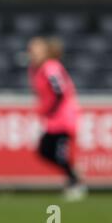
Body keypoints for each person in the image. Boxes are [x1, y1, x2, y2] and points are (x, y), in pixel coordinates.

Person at [27, 37, 87, 201]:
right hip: (54, 119)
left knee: (59, 153)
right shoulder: (35, 69)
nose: (32, 53)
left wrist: (50, 111)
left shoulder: (50, 67)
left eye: (36, 49)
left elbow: (59, 91)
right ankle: (73, 175)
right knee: (45, 151)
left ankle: (74, 182)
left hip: (63, 118)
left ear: (45, 52)